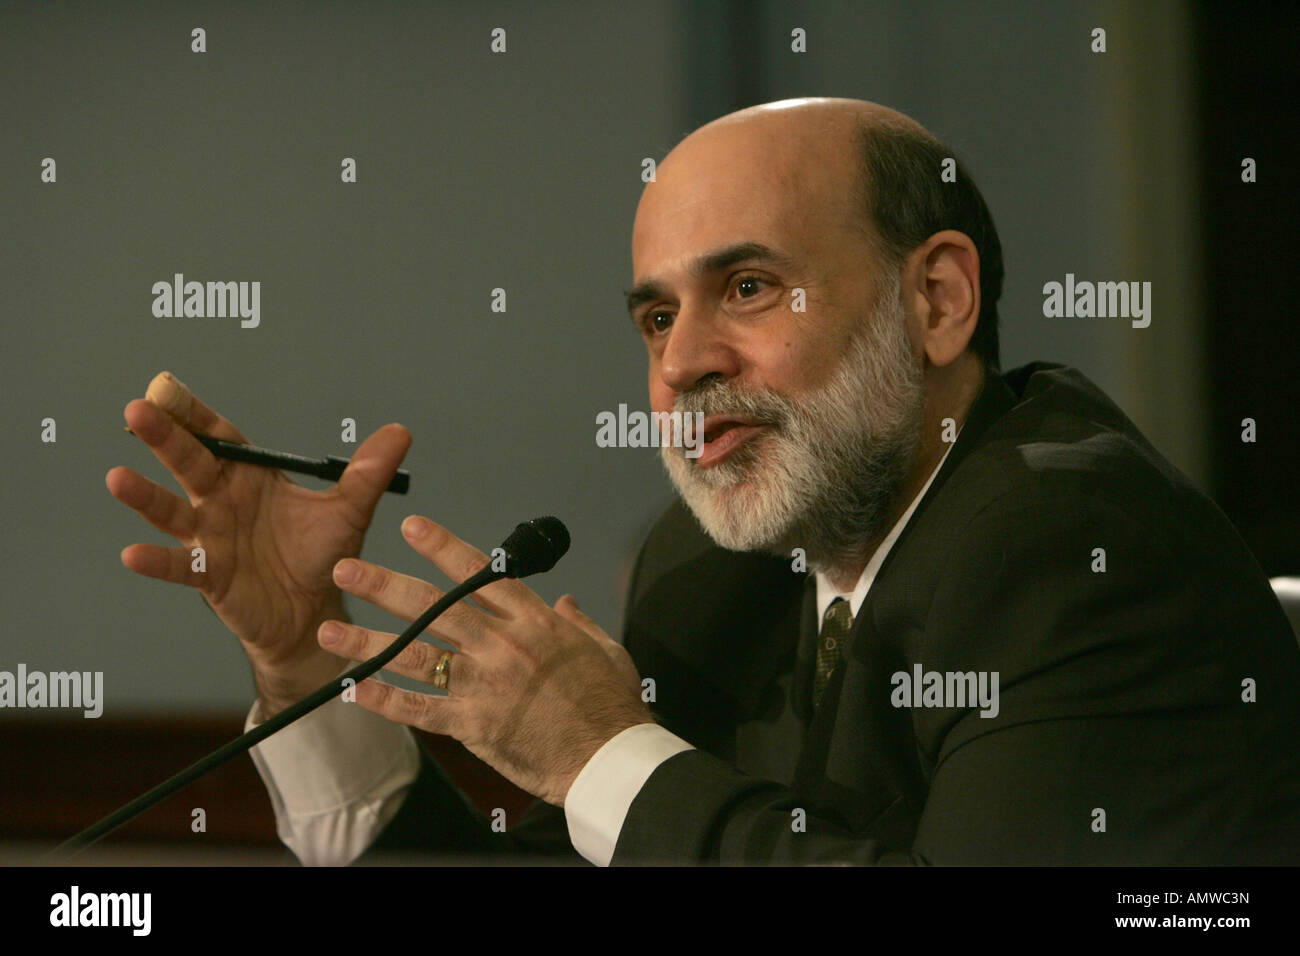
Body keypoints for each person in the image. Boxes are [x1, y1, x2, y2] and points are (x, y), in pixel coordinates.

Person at [109, 97, 1300, 866]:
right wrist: (303, 662)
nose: (679, 365)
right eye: (655, 313)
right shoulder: (708, 570)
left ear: (934, 300)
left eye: (746, 288)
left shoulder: (1078, 545)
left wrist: (599, 752)